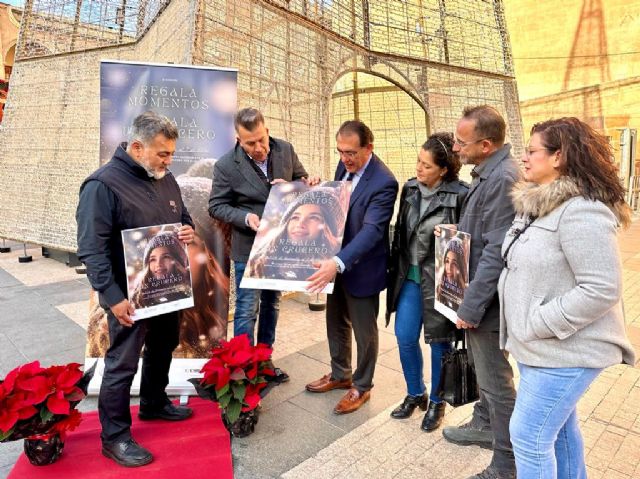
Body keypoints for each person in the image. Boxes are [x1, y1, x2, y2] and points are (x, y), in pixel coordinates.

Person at [499, 118, 635, 478]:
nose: (524, 158)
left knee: (528, 436)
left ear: (558, 157)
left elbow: (602, 287)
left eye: (532, 151)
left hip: (565, 349)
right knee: (556, 433)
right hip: (540, 347)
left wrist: (538, 322)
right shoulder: (539, 204)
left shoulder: (581, 210)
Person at [76, 111, 196, 468]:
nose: (169, 160)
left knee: (163, 346)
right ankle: (114, 438)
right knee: (122, 363)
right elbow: (91, 250)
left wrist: (187, 230)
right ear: (137, 147)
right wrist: (113, 299)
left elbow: (182, 218)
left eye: (172, 153)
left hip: (168, 289)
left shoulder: (165, 178)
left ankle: (154, 402)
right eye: (163, 153)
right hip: (128, 298)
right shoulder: (101, 185)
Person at [208, 107, 318, 383]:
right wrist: (245, 217)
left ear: (267, 131)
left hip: (281, 245)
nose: (259, 148)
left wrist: (300, 185)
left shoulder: (286, 149)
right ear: (238, 140)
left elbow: (303, 181)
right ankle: (244, 371)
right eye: (250, 143)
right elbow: (217, 205)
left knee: (272, 304)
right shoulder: (225, 165)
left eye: (261, 140)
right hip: (249, 247)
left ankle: (265, 363)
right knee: (246, 308)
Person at [440, 105, 521, 479]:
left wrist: (470, 307)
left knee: (495, 380)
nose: (455, 147)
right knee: (486, 373)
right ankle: (484, 423)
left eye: (461, 141)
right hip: (476, 295)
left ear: (485, 144)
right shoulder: (488, 172)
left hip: (487, 302)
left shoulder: (503, 178)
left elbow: (496, 252)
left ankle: (506, 462)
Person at [305, 120, 398, 414]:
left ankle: (362, 385)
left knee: (364, 332)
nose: (345, 158)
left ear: (369, 148)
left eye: (351, 152)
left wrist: (339, 262)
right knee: (335, 322)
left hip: (360, 267)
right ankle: (340, 373)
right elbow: (338, 207)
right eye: (340, 151)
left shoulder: (384, 182)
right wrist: (319, 191)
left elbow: (372, 231)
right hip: (335, 261)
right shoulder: (343, 168)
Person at [385, 132, 468, 431]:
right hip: (410, 276)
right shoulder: (409, 189)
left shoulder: (461, 194)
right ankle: (414, 393)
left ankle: (437, 401)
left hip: (442, 282)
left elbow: (470, 240)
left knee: (439, 343)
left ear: (444, 169)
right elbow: (400, 233)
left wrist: (456, 231)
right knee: (405, 336)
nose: (419, 169)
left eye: (427, 165)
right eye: (418, 162)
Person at [247, 187, 343, 280]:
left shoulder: (337, 262)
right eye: (295, 217)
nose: (300, 224)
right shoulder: (261, 261)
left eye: (314, 218)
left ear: (329, 228)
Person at [130, 231, 192, 309]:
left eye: (166, 257)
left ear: (178, 261)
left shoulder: (191, 287)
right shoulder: (138, 298)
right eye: (152, 259)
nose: (158, 264)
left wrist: (188, 279)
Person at [436, 237, 468, 310]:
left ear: (460, 266)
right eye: (447, 261)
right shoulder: (439, 287)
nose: (449, 268)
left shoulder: (467, 291)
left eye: (454, 263)